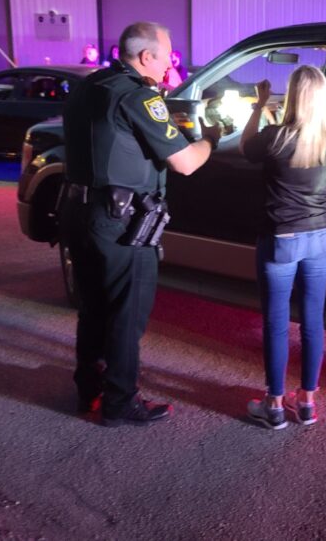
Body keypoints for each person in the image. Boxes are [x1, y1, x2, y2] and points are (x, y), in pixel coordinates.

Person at [59, 21, 221, 427]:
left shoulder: (88, 86)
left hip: (78, 213)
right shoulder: (139, 97)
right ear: (146, 57)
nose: (171, 63)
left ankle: (89, 389)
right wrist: (211, 139)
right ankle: (120, 402)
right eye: (167, 55)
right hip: (122, 223)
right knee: (125, 315)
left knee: (92, 307)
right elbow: (184, 163)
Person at [239, 65, 326, 429]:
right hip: (322, 237)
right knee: (313, 321)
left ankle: (273, 405)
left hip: (281, 239)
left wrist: (258, 107)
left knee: (275, 323)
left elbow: (245, 147)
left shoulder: (275, 137)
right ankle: (307, 403)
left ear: (292, 97)